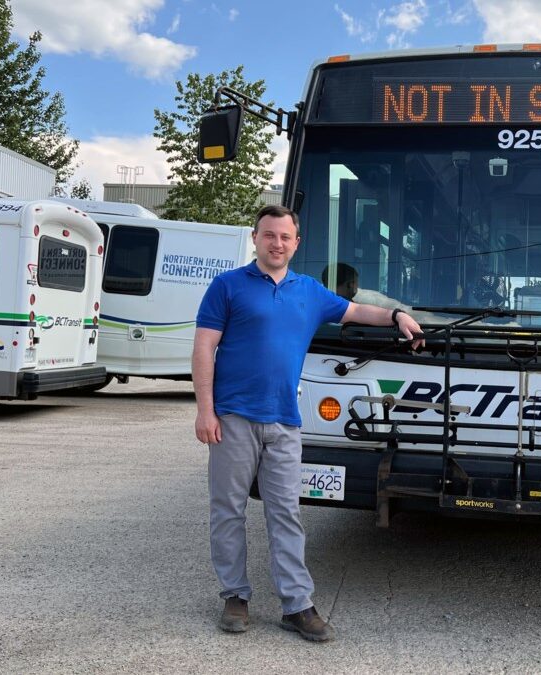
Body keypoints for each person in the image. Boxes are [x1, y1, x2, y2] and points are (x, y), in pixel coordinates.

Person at [192, 205, 423, 642]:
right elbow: (204, 348)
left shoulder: (310, 292)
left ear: (296, 243)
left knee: (286, 513)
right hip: (233, 418)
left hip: (284, 422)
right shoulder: (227, 287)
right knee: (228, 510)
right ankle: (235, 596)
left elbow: (357, 311)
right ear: (255, 238)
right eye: (269, 235)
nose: (276, 243)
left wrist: (396, 316)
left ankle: (296, 605)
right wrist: (205, 410)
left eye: (285, 237)